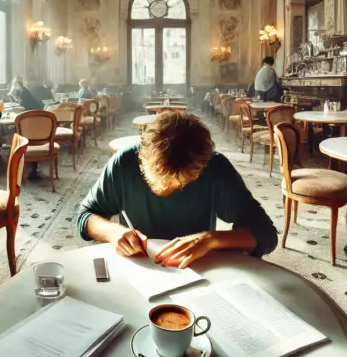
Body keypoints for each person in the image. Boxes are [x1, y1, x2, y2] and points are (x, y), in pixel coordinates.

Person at [76, 111, 277, 268]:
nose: (166, 191)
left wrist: (209, 240)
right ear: (142, 161)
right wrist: (113, 232)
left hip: (194, 271)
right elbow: (85, 216)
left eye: (179, 184)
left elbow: (266, 234)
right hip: (140, 268)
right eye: (159, 182)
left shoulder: (214, 167)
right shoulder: (125, 162)